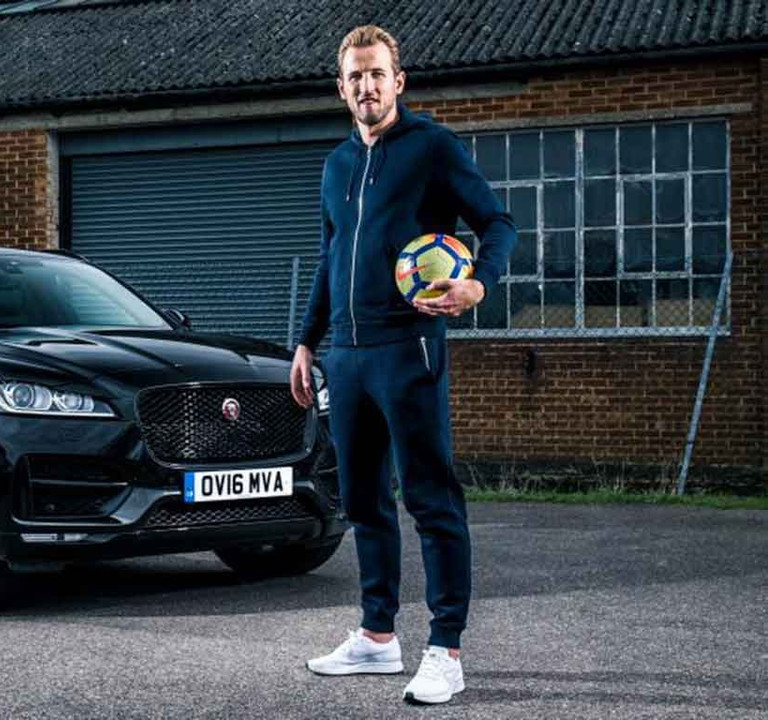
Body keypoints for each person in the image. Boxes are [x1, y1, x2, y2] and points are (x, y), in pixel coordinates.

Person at [290, 25, 516, 705]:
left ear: (399, 81)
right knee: (362, 501)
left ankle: (445, 649)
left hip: (408, 348)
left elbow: (497, 222)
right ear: (342, 87)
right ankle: (378, 638)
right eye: (355, 76)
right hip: (348, 357)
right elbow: (331, 260)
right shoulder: (335, 166)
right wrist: (306, 341)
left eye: (377, 74)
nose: (367, 86)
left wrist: (480, 282)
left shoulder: (432, 148)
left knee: (430, 500)